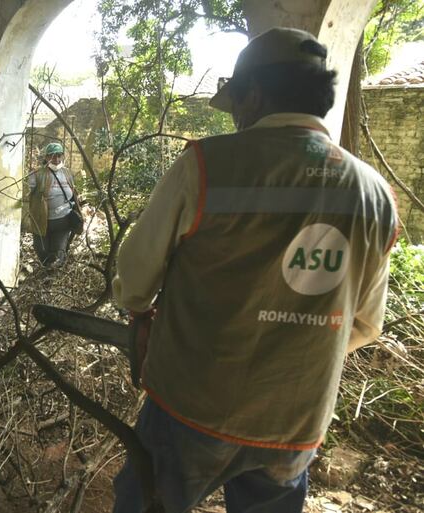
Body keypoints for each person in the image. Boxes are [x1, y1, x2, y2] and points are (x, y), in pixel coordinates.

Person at [111, 28, 398, 513]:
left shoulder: (205, 165)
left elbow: (136, 279)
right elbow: (366, 323)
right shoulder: (374, 195)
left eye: (238, 102)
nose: (237, 116)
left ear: (257, 94)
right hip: (295, 425)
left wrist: (140, 314)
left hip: (192, 410)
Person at [26, 142, 82, 268]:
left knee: (59, 253)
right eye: (52, 156)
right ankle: (46, 273)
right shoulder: (37, 174)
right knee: (42, 250)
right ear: (46, 157)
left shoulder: (67, 173)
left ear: (62, 156)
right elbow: (26, 193)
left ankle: (54, 276)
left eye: (59, 155)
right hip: (42, 220)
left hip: (63, 220)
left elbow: (73, 192)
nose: (56, 159)